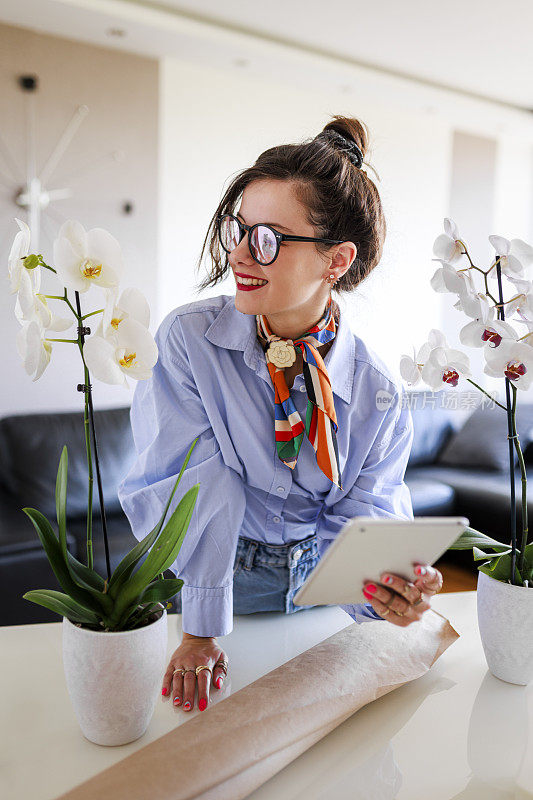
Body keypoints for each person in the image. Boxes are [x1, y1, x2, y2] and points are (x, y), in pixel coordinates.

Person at [117, 115, 443, 715]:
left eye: (266, 238)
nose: (238, 255)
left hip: (320, 593)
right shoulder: (190, 341)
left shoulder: (377, 394)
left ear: (336, 261)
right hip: (213, 585)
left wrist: (385, 588)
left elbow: (362, 515)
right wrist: (201, 628)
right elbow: (195, 484)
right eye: (238, 230)